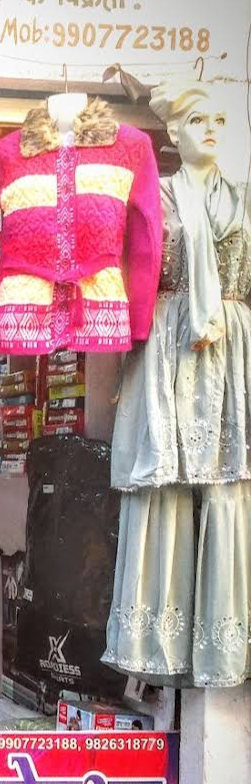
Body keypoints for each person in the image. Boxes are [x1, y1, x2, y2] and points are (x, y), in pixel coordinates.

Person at [105, 78, 251, 688]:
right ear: (173, 132)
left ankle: (224, 645)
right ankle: (155, 644)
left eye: (218, 119)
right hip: (167, 345)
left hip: (232, 349)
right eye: (196, 119)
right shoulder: (156, 197)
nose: (210, 129)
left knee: (228, 485)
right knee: (161, 484)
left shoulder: (244, 198)